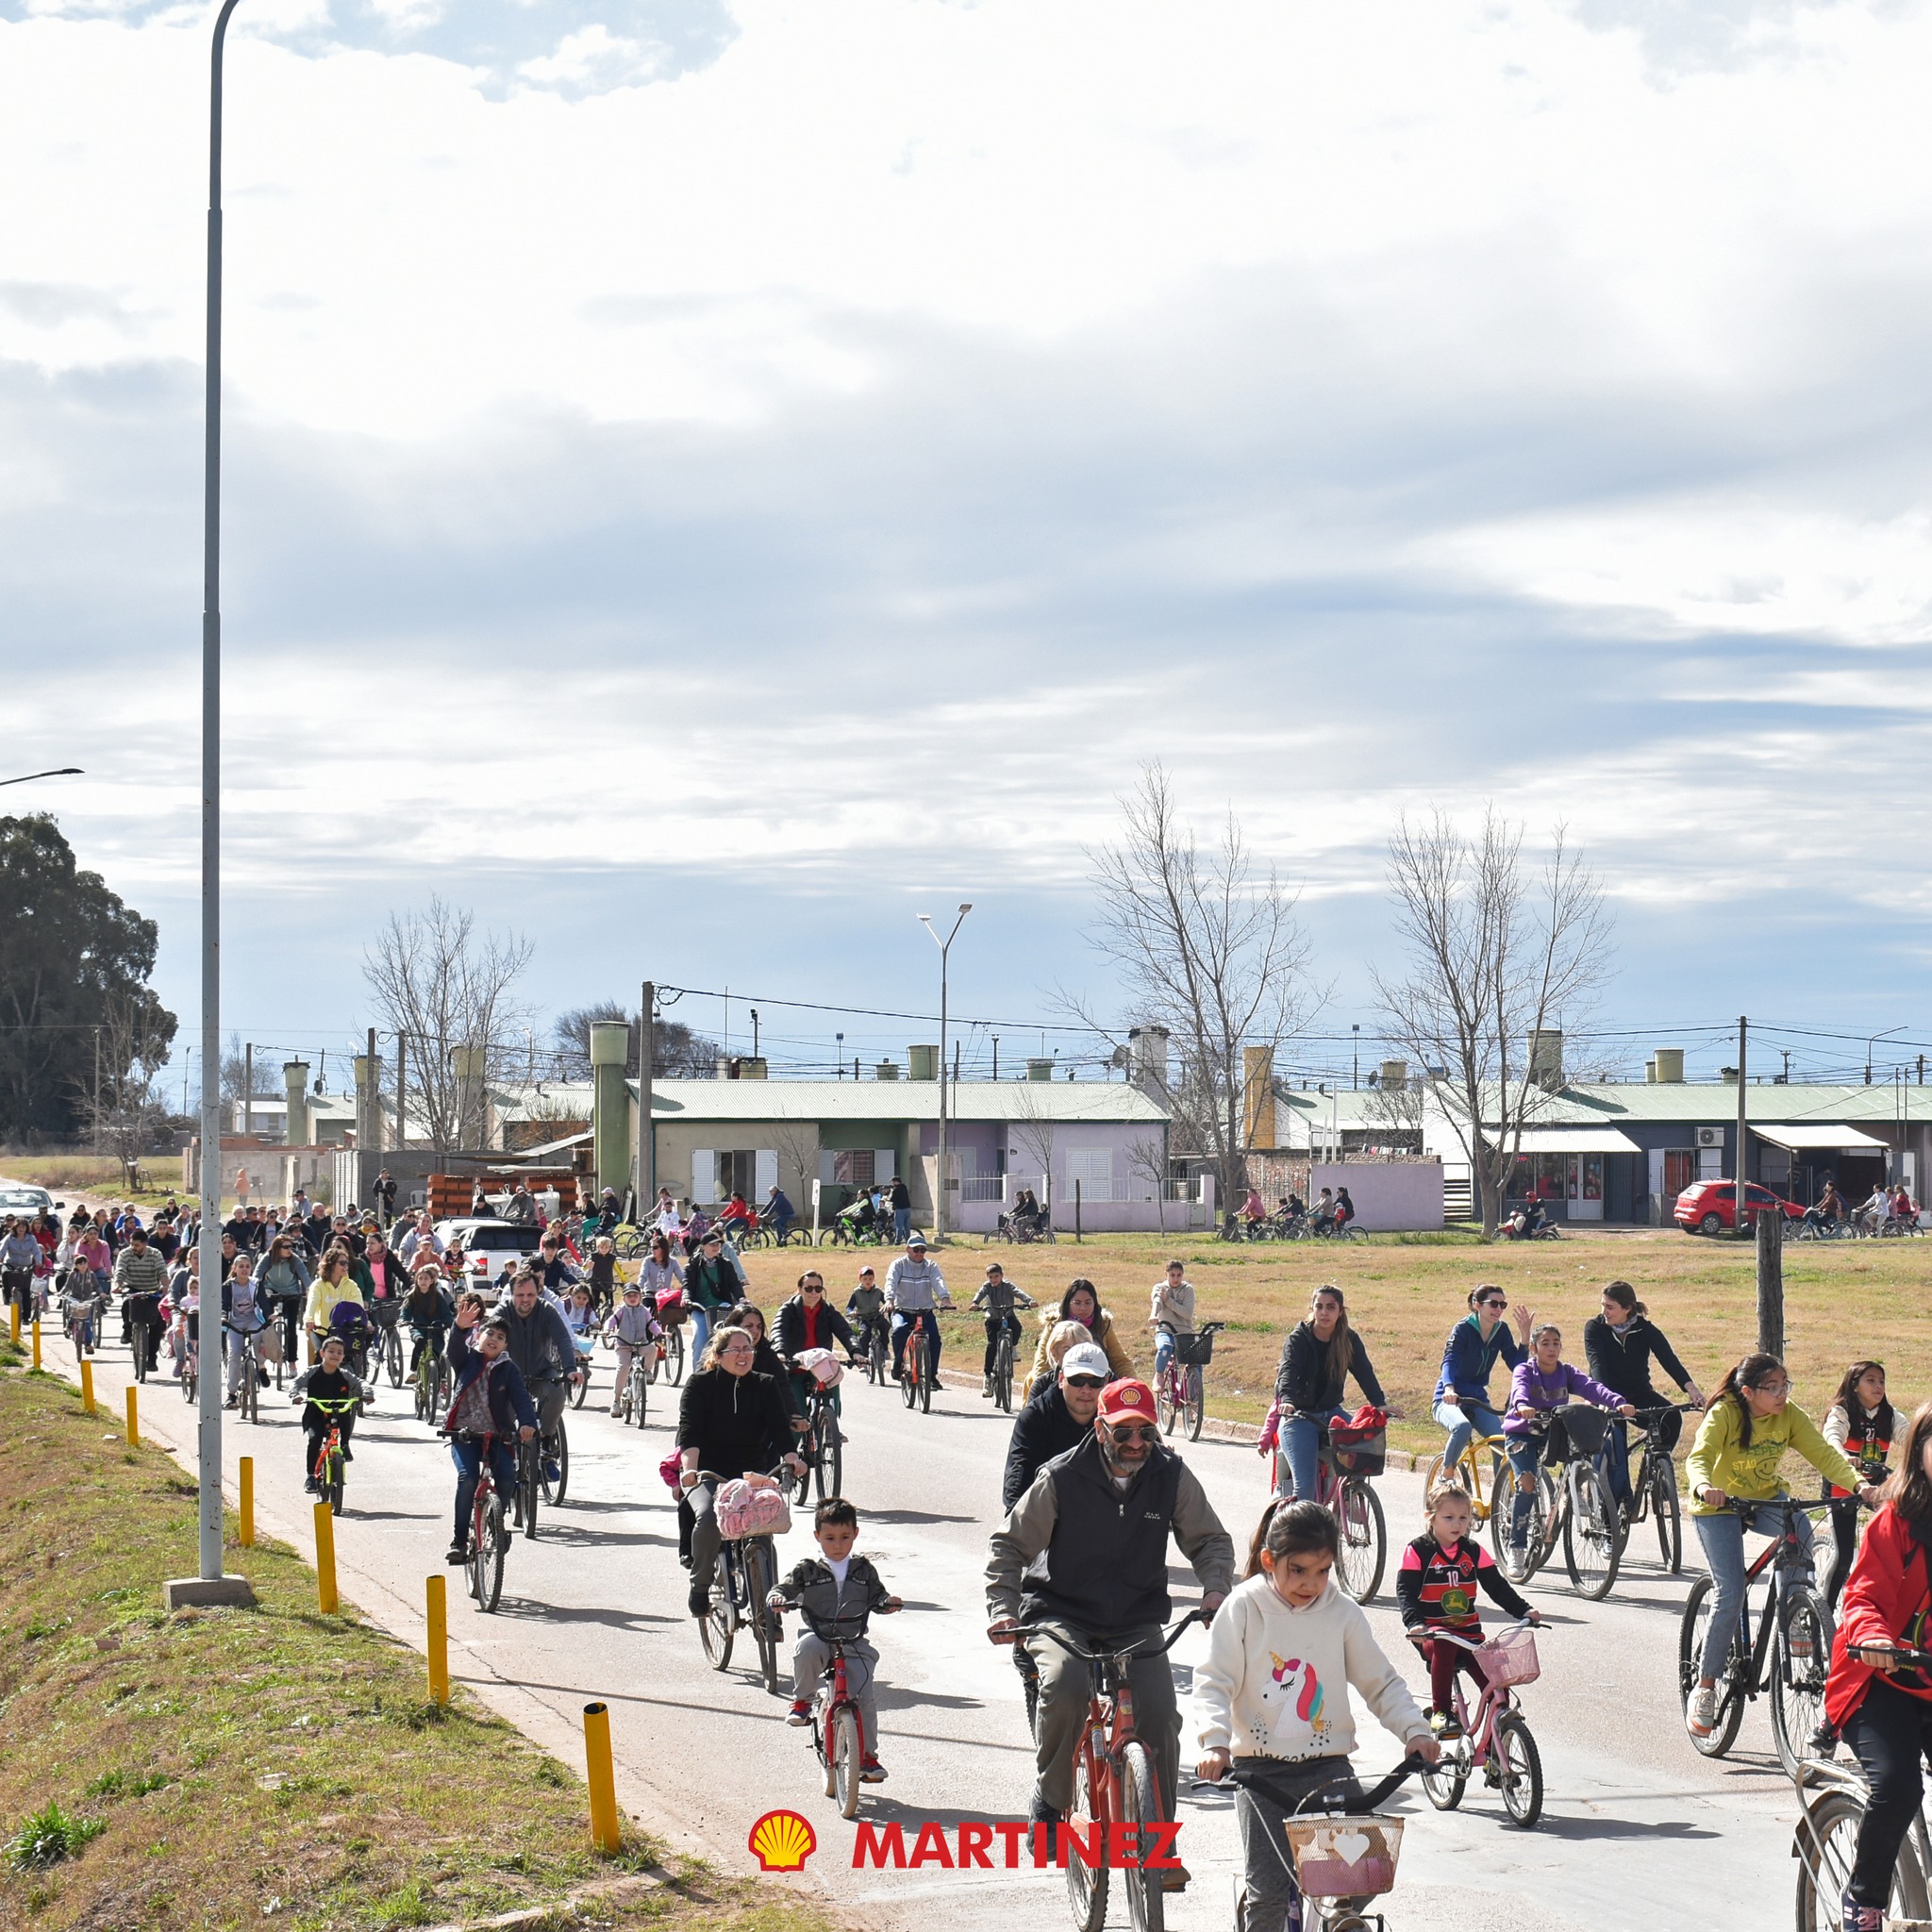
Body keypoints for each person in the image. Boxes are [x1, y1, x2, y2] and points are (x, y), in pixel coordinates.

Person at [989, 1376, 1236, 1863]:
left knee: (1162, 1713)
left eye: (1145, 1431)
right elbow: (1009, 1545)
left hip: (1134, 1618)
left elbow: (1210, 1540)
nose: (1136, 1444)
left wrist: (1215, 1589)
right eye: (1123, 1433)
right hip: (1060, 1610)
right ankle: (1051, 1801)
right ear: (1101, 1429)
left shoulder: (1170, 1475)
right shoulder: (1061, 1476)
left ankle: (1160, 1844)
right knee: (1063, 1683)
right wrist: (1003, 1608)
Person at [1197, 1499, 1441, 1932]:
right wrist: (1215, 1742)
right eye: (1298, 1570)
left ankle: (1334, 1918)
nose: (1312, 1583)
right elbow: (1215, 1679)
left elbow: (1380, 1682)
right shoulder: (1244, 1607)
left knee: (1365, 1872)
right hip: (1260, 1773)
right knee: (1268, 1894)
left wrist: (1415, 1731)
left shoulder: (1342, 1611)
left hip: (1329, 1767)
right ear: (1270, 1561)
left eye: (1323, 1570)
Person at [1683, 1351, 1881, 1739]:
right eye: (1771, 1388)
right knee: (1731, 1591)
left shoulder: (1788, 1415)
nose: (1780, 1394)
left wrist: (1859, 1485)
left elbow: (1823, 1453)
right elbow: (1700, 1456)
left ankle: (1795, 1618)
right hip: (1717, 1504)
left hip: (1765, 1499)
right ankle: (1705, 1688)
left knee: (1801, 1538)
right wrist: (1705, 1486)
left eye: (1784, 1386)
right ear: (1747, 1391)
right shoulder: (1725, 1412)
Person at [1823, 1397, 1932, 1932]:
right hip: (1879, 1680)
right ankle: (1864, 1901)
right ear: (1920, 1451)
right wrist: (1871, 1637)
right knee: (1898, 1786)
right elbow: (1861, 1596)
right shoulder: (1897, 1521)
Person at [770, 1496, 902, 1783]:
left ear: (855, 1534)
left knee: (865, 1697)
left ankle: (867, 1757)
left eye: (844, 1537)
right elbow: (783, 1589)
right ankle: (802, 1701)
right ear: (818, 1536)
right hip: (819, 1634)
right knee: (805, 1649)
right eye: (830, 1538)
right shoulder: (808, 1569)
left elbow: (877, 1596)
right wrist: (778, 1599)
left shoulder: (863, 1569)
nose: (838, 1544)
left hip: (853, 1639)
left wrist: (887, 1602)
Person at [675, 1325, 806, 1616]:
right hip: (708, 1473)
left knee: (762, 1526)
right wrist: (689, 1471)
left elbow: (779, 1428)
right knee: (710, 1517)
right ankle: (700, 1586)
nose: (744, 1355)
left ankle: (767, 1607)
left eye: (748, 1349)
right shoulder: (700, 1384)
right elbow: (689, 1433)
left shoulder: (765, 1384)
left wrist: (791, 1458)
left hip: (750, 1473)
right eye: (736, 1350)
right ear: (719, 1355)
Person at [1395, 1481, 1538, 1737]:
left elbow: (1497, 1587)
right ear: (1431, 1518)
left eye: (1464, 1517)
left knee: (1496, 1685)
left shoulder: (1472, 1551)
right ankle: (1441, 1712)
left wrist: (1524, 1610)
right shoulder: (1418, 1550)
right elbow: (1406, 1591)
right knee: (1445, 1643)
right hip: (1434, 1635)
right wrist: (1414, 1623)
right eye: (1448, 1517)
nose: (1457, 1524)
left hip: (1469, 1636)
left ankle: (1498, 1752)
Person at [1500, 1324, 1634, 1552]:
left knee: (1580, 1448)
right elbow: (1519, 1390)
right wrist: (1522, 1405)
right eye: (1545, 1344)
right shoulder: (1525, 1370)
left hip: (1551, 1432)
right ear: (1533, 1348)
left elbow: (1592, 1388)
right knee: (1528, 1485)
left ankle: (1575, 1488)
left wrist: (1618, 1402)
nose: (1551, 1349)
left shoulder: (1566, 1372)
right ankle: (1517, 1546)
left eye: (1555, 1344)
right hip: (1522, 1433)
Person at [1581, 1279, 1704, 1514]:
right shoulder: (1595, 1328)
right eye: (1603, 1305)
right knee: (1616, 1450)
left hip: (1638, 1393)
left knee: (1671, 1418)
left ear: (1628, 1309)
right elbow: (1596, 1365)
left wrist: (1692, 1390)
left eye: (1610, 1307)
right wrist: (1607, 1399)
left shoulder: (1645, 1329)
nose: (1604, 1312)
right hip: (1607, 1395)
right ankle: (1613, 1512)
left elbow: (1669, 1359)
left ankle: (1658, 1469)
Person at [1266, 1285, 1390, 1503]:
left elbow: (1365, 1373)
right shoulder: (1299, 1338)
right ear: (1312, 1309)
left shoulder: (1349, 1339)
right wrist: (1287, 1400)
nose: (1324, 1313)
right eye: (1319, 1306)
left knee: (1362, 1454)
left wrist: (1379, 1404)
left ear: (1340, 1311)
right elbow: (1288, 1371)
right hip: (1299, 1416)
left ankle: (1352, 1508)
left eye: (1331, 1307)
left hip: (1332, 1413)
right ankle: (1302, 1531)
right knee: (1304, 1489)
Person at [443, 1298, 539, 1563]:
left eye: (500, 1337)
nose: (494, 1340)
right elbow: (454, 1350)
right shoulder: (467, 1359)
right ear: (479, 1336)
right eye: (489, 1334)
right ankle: (460, 1540)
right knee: (468, 1479)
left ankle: (496, 1523)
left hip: (498, 1436)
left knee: (508, 1478)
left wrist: (527, 1424)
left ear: (506, 1345)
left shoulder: (509, 1369)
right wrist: (459, 1328)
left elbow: (521, 1400)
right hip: (463, 1434)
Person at [1432, 1285, 1533, 1474]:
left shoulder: (1501, 1330)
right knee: (1462, 1427)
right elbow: (1450, 1360)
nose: (1499, 1309)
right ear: (1477, 1305)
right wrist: (1448, 1388)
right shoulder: (1463, 1329)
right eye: (1493, 1304)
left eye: (1503, 1304)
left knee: (1502, 1440)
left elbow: (1516, 1365)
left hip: (1477, 1398)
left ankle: (1500, 1494)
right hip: (1448, 1397)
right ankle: (1446, 1474)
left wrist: (1525, 1338)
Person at [1824, 1360, 1895, 1613]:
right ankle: (1823, 1615)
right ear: (1854, 1385)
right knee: (1843, 1558)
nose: (1878, 1386)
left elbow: (1914, 1437)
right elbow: (1831, 1437)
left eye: (1882, 1381)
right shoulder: (1842, 1412)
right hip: (1843, 1487)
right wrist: (1843, 1456)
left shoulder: (1889, 1415)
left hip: (1875, 1488)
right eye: (1871, 1380)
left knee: (1901, 1539)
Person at [494, 1265, 575, 1484]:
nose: (526, 1299)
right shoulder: (502, 1311)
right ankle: (508, 1456)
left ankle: (547, 1443)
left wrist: (570, 1369)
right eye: (520, 1295)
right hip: (510, 1376)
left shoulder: (547, 1309)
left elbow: (563, 1340)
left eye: (531, 1294)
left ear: (538, 1293)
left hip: (541, 1371)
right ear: (512, 1294)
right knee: (503, 1415)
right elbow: (487, 1338)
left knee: (557, 1393)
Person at [291, 1334, 364, 1494]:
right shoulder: (312, 1372)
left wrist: (367, 1395)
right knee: (315, 1439)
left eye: (339, 1352)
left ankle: (344, 1445)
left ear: (343, 1356)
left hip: (337, 1413)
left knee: (345, 1414)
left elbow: (361, 1384)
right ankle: (310, 1476)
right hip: (316, 1413)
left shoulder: (345, 1375)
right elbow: (296, 1383)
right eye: (331, 1351)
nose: (335, 1355)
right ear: (322, 1353)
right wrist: (295, 1395)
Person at [774, 1270, 856, 1410]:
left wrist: (856, 1352)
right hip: (796, 1368)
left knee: (833, 1383)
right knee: (797, 1413)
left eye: (818, 1288)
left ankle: (831, 1428)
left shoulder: (827, 1310)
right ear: (799, 1289)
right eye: (808, 1288)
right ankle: (799, 1430)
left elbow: (845, 1331)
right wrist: (780, 1352)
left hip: (820, 1366)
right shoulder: (788, 1309)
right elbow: (778, 1331)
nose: (814, 1293)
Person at [1025, 1277, 1132, 1385]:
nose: (1083, 1308)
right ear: (1068, 1303)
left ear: (1094, 1304)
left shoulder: (1103, 1325)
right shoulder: (1053, 1326)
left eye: (1088, 1302)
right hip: (1061, 1384)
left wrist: (1130, 1385)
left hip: (1097, 1383)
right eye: (1077, 1303)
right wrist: (1040, 1388)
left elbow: (1120, 1361)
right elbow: (1042, 1363)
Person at [884, 1236, 951, 1383]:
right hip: (902, 1309)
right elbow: (891, 1282)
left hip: (925, 1311)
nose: (919, 1253)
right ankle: (898, 1362)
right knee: (900, 1330)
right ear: (908, 1249)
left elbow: (938, 1281)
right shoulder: (898, 1265)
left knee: (935, 1340)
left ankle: (932, 1375)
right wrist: (889, 1300)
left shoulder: (930, 1266)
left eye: (923, 1250)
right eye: (916, 1249)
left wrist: (944, 1298)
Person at [971, 1263, 1037, 1396]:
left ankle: (1012, 1349)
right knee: (992, 1345)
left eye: (996, 1276)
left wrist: (1030, 1301)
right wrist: (975, 1303)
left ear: (1002, 1275)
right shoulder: (987, 1287)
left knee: (1017, 1328)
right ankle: (988, 1377)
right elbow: (980, 1294)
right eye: (991, 1277)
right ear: (987, 1277)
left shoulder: (1007, 1286)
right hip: (992, 1319)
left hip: (1008, 1315)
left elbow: (1018, 1292)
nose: (994, 1279)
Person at [221, 1251, 272, 1407]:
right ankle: (232, 1394)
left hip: (252, 1320)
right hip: (234, 1323)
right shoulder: (228, 1286)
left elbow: (263, 1302)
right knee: (233, 1355)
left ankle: (261, 1367)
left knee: (259, 1339)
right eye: (241, 1266)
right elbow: (224, 1305)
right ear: (235, 1268)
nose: (244, 1269)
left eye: (247, 1266)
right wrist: (222, 1317)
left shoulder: (256, 1284)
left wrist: (271, 1315)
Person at [603, 1281, 660, 1414]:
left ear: (640, 1297)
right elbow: (610, 1321)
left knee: (653, 1349)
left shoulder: (644, 1311)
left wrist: (659, 1333)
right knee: (623, 1368)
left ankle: (647, 1371)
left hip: (641, 1343)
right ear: (624, 1298)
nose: (633, 1298)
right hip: (624, 1345)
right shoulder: (621, 1310)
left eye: (636, 1295)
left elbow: (652, 1324)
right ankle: (616, 1401)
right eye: (629, 1296)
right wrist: (607, 1330)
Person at [683, 1232, 740, 1357]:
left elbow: (735, 1284)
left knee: (726, 1342)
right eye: (712, 1244)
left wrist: (742, 1298)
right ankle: (697, 1374)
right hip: (700, 1309)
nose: (716, 1246)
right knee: (700, 1340)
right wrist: (686, 1298)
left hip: (721, 1308)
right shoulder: (692, 1265)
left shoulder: (726, 1264)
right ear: (703, 1246)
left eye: (718, 1244)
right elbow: (687, 1286)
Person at [303, 1251, 365, 1363]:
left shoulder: (351, 1286)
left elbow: (358, 1308)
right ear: (331, 1265)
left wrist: (367, 1323)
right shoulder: (318, 1285)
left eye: (347, 1263)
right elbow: (312, 1304)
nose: (346, 1266)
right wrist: (309, 1319)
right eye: (342, 1263)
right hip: (321, 1331)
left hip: (343, 1332)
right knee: (320, 1357)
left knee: (348, 1358)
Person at [403, 1261, 455, 1375]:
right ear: (416, 1280)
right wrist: (403, 1319)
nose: (423, 1281)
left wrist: (450, 1323)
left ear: (432, 1281)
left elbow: (446, 1313)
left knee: (436, 1351)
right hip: (418, 1327)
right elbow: (406, 1311)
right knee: (420, 1341)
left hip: (435, 1328)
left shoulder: (438, 1297)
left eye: (426, 1279)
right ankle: (414, 1371)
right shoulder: (412, 1296)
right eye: (420, 1278)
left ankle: (438, 1381)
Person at [1147, 1258, 1194, 1382]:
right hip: (1166, 1330)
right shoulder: (1160, 1287)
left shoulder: (1188, 1289)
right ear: (1166, 1275)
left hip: (1184, 1332)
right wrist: (1154, 1315)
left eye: (1179, 1275)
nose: (1176, 1279)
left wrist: (1169, 1301)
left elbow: (1187, 1313)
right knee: (1165, 1348)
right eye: (1172, 1275)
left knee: (1196, 1361)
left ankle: (1194, 1388)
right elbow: (1157, 1301)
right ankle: (1159, 1375)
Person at [845, 1266, 887, 1361]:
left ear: (873, 1279)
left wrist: (888, 1307)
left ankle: (885, 1349)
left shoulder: (878, 1291)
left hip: (876, 1315)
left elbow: (886, 1302)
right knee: (864, 1335)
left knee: (885, 1326)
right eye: (865, 1279)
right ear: (860, 1279)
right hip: (863, 1317)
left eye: (870, 1279)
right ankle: (864, 1359)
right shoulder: (857, 1292)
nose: (868, 1281)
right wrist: (851, 1312)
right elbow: (849, 1307)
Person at [889, 1174, 911, 1244]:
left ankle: (898, 1240)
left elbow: (892, 1199)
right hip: (908, 1208)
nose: (892, 1184)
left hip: (900, 1209)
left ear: (895, 1182)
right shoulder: (904, 1187)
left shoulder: (896, 1190)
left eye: (892, 1182)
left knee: (899, 1225)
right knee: (907, 1225)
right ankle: (908, 1239)